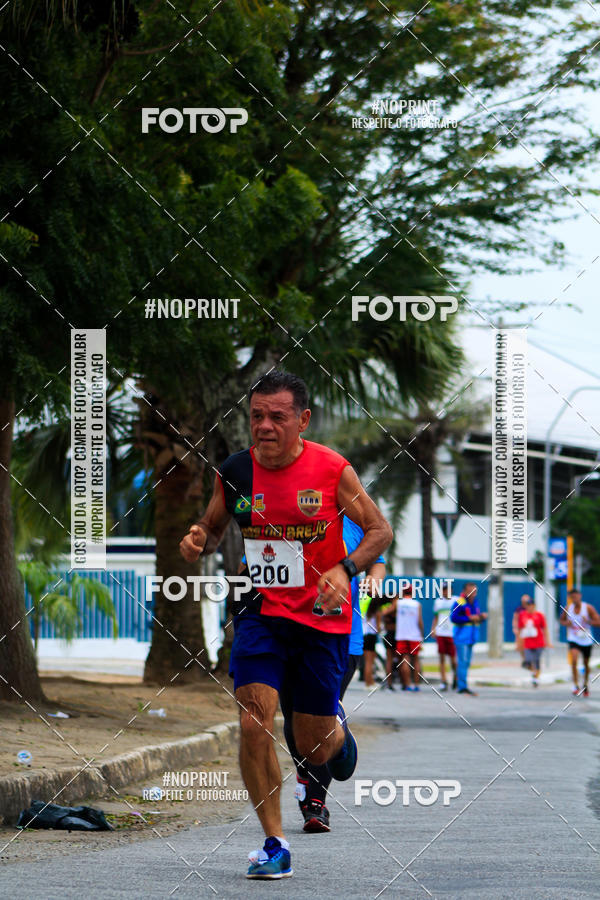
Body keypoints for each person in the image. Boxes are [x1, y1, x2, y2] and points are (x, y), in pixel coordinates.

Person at [179, 371, 392, 879]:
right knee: (253, 722)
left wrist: (347, 568)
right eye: (257, 416)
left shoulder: (332, 469)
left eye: (277, 416)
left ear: (303, 419)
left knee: (313, 744)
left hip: (322, 618)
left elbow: (380, 530)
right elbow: (212, 526)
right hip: (260, 613)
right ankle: (273, 844)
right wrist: (197, 538)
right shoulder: (235, 471)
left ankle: (340, 737)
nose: (265, 426)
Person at [281, 515, 386, 834]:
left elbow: (378, 560)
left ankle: (315, 804)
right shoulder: (284, 516)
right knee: (292, 719)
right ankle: (321, 758)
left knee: (318, 718)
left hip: (343, 639)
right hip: (288, 634)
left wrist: (375, 578)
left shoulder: (354, 525)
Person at [559, 589, 600, 697]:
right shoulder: (568, 608)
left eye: (576, 596)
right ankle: (575, 685)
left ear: (580, 596)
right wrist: (566, 623)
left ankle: (585, 684)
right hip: (574, 638)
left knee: (586, 663)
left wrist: (588, 621)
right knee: (574, 659)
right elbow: (561, 620)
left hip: (586, 640)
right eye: (572, 597)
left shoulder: (588, 608)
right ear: (570, 598)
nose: (575, 599)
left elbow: (598, 622)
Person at [450, 582, 487, 696]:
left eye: (475, 591)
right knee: (463, 661)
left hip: (471, 637)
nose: (474, 594)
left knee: (467, 662)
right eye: (471, 591)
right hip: (462, 637)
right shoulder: (460, 601)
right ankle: (462, 686)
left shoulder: (475, 603)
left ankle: (460, 681)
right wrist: (469, 618)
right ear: (465, 591)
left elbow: (476, 618)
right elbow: (454, 617)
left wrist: (481, 617)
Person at [517, 596, 552, 687]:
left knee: (536, 660)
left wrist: (547, 641)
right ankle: (534, 672)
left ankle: (536, 677)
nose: (529, 607)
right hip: (527, 642)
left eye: (531, 605)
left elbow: (544, 629)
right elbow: (520, 629)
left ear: (534, 605)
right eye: (527, 605)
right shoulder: (523, 615)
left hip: (538, 642)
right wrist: (518, 642)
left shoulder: (539, 615)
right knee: (528, 661)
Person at [395, 585, 424, 692]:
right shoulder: (417, 604)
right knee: (416, 660)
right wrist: (421, 634)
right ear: (412, 592)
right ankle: (416, 685)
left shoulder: (398, 603)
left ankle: (407, 685)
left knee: (405, 660)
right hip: (414, 635)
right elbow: (419, 621)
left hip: (401, 635)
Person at [432, 582, 457, 691]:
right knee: (441, 658)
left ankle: (456, 677)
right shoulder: (438, 601)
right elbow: (436, 617)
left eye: (447, 589)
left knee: (453, 659)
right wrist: (433, 629)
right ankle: (443, 681)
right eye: (443, 590)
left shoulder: (456, 600)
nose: (445, 592)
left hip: (452, 633)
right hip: (441, 632)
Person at [380, 595, 399, 690]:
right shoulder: (389, 609)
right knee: (390, 659)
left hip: (395, 635)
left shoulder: (394, 609)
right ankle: (389, 682)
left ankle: (396, 680)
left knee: (395, 659)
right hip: (391, 635)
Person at [512, 594, 532, 667]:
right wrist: (515, 628)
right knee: (521, 646)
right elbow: (515, 619)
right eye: (523, 601)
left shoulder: (531, 608)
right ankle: (524, 659)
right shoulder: (519, 609)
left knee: (529, 645)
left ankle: (529, 660)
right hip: (521, 629)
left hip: (529, 630)